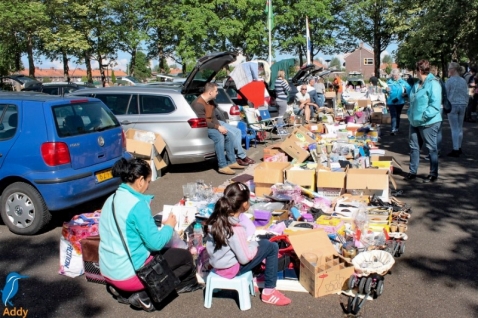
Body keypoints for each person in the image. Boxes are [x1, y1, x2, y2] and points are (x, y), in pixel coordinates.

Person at [99, 158, 201, 312]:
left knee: (162, 253)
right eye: (148, 182)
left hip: (108, 271)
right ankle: (146, 294)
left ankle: (122, 292)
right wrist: (169, 226)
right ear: (140, 180)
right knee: (185, 258)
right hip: (129, 276)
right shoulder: (137, 205)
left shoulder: (110, 200)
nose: (147, 187)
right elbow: (156, 244)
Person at [205, 182, 292, 306]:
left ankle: (260, 275)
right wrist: (253, 245)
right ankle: (269, 292)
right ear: (245, 204)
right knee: (271, 246)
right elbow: (245, 258)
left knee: (261, 245)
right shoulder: (235, 229)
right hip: (232, 269)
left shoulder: (215, 220)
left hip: (218, 266)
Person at [191, 82, 244, 175]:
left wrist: (220, 126)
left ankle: (232, 162)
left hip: (211, 125)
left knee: (230, 135)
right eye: (216, 91)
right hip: (202, 128)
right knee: (219, 137)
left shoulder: (211, 102)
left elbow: (213, 117)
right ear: (210, 92)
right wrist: (217, 127)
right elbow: (203, 121)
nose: (217, 93)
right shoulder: (198, 104)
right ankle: (222, 166)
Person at [404, 59, 442, 183]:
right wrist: (410, 114)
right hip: (414, 121)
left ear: (419, 70)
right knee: (414, 147)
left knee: (431, 148)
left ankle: (433, 173)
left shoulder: (434, 84)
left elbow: (435, 105)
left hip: (428, 122)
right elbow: (412, 100)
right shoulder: (417, 84)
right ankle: (412, 171)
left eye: (416, 70)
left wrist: (424, 116)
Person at [445, 62, 469, 157]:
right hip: (462, 105)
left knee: (454, 128)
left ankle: (455, 149)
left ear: (453, 69)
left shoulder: (449, 81)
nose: (448, 70)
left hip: (453, 105)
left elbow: (446, 94)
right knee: (460, 128)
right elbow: (466, 93)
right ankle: (459, 147)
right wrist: (466, 103)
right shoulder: (463, 81)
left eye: (450, 68)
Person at [385, 69, 411, 135]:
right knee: (393, 115)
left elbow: (410, 89)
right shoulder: (389, 82)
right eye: (394, 76)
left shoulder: (402, 82)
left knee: (398, 115)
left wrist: (406, 94)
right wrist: (386, 90)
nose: (395, 77)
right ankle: (393, 129)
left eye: (396, 75)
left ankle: (396, 128)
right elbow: (383, 90)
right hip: (391, 101)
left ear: (399, 75)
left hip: (400, 102)